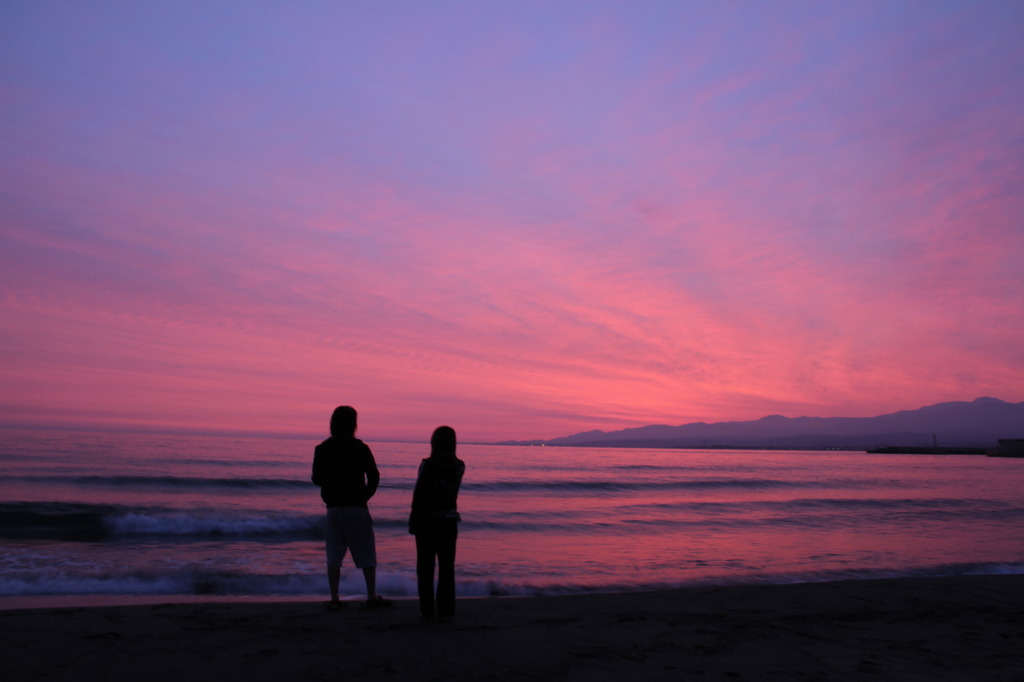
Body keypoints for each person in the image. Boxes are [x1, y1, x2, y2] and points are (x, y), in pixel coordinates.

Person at [311, 405, 391, 610]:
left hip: (334, 507)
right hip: (356, 506)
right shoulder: (361, 448)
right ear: (354, 424)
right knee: (365, 552)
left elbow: (316, 478)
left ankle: (335, 598)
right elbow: (374, 476)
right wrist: (365, 495)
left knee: (334, 553)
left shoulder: (322, 448)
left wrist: (331, 482)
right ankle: (371, 596)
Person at [408, 425, 465, 621]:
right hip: (450, 522)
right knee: (447, 568)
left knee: (425, 567)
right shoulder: (460, 466)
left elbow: (419, 495)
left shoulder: (428, 465)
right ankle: (446, 609)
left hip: (427, 523)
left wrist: (413, 521)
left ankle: (427, 610)